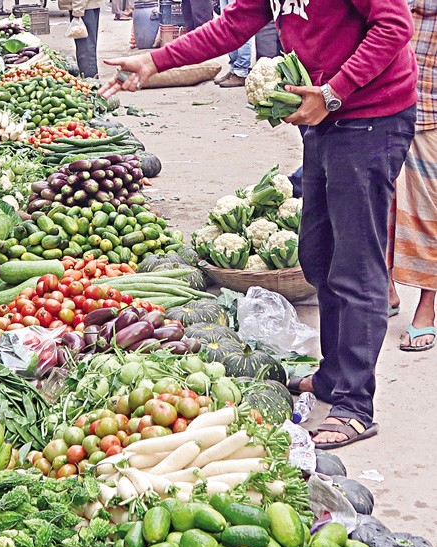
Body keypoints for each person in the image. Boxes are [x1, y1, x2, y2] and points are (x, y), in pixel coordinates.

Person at [100, 0, 418, 449]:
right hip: (326, 119)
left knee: (356, 263)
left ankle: (354, 405)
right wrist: (154, 60)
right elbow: (234, 24)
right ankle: (332, 376)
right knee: (318, 253)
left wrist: (333, 92)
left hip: (371, 116)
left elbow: (393, 25)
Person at [387, 0, 436, 353]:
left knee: (427, 213)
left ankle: (426, 308)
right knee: (380, 204)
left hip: (432, 104)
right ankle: (384, 287)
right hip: (386, 98)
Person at [58, 0, 102, 78]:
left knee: (85, 47)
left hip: (84, 7)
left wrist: (78, 11)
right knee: (87, 45)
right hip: (85, 6)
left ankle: (90, 79)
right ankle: (90, 78)